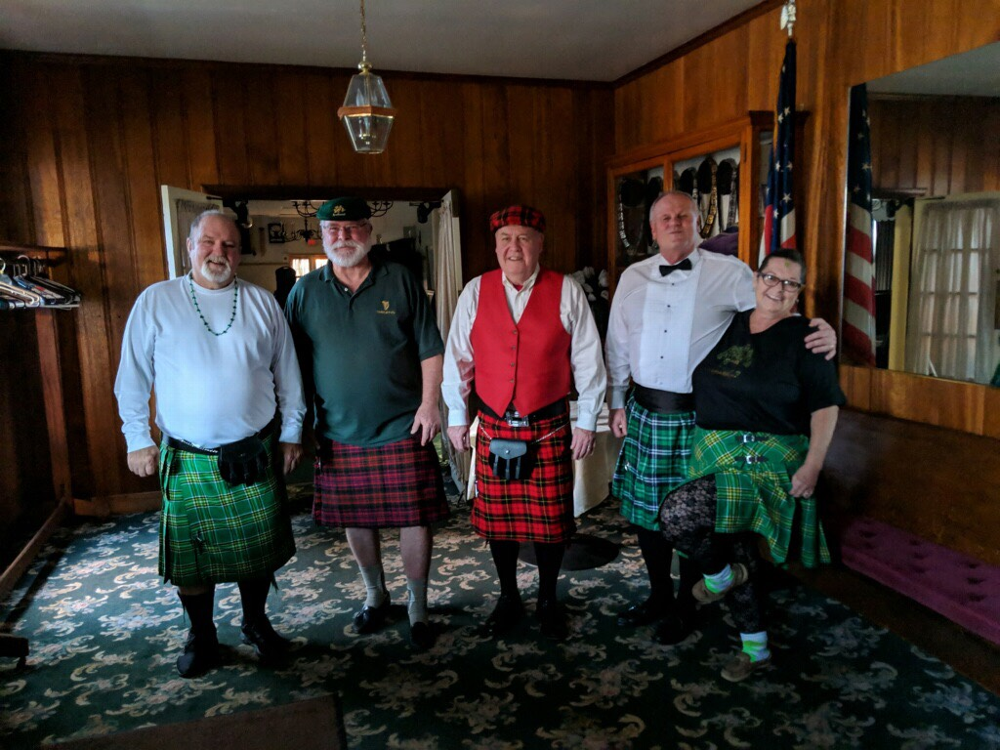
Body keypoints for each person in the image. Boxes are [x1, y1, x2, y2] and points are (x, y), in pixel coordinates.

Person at [605, 191, 836, 644]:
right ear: (653, 229)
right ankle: (657, 595)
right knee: (645, 516)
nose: (674, 223)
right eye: (665, 218)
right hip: (643, 412)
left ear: (697, 225)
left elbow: (774, 309)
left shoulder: (732, 274)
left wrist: (817, 328)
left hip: (701, 417)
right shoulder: (632, 277)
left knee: (691, 519)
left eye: (683, 217)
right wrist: (615, 400)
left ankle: (687, 604)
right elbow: (617, 343)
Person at [114, 209, 306, 678]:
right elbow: (132, 377)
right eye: (209, 243)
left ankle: (256, 623)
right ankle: (202, 635)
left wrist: (291, 433)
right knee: (192, 562)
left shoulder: (262, 303)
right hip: (188, 455)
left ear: (240, 253)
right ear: (189, 246)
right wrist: (137, 438)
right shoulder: (156, 301)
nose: (218, 253)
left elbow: (289, 376)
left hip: (255, 450)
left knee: (256, 551)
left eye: (229, 246)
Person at [659, 248, 846, 681]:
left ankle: (722, 578)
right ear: (756, 279)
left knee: (676, 515)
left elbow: (825, 407)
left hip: (768, 462)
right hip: (715, 455)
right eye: (770, 277)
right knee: (729, 539)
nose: (776, 288)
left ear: (799, 292)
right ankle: (756, 647)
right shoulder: (728, 323)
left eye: (789, 282)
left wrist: (813, 465)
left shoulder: (808, 339)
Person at [284, 196, 448, 650]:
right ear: (322, 238)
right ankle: (376, 596)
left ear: (368, 233)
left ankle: (418, 606)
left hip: (403, 424)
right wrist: (298, 425)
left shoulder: (401, 279)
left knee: (415, 518)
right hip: (337, 428)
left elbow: (430, 348)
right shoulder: (304, 292)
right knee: (358, 517)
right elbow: (290, 364)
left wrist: (429, 404)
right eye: (334, 231)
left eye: (354, 228)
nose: (344, 237)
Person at [442, 205, 607, 641]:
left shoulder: (566, 289)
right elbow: (458, 359)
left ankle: (549, 597)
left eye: (524, 238)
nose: (514, 247)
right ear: (495, 246)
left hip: (548, 424)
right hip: (494, 423)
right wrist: (457, 417)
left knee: (551, 522)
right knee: (501, 523)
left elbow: (589, 360)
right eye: (506, 239)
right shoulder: (475, 291)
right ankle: (509, 596)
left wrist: (588, 420)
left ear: (540, 244)